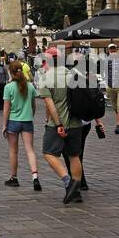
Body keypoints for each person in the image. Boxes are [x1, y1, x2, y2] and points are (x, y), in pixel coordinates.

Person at [38, 50, 86, 203]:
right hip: (77, 122)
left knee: (48, 153)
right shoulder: (74, 75)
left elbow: (50, 105)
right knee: (74, 156)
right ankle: (76, 191)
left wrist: (58, 123)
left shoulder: (45, 78)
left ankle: (68, 182)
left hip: (57, 123)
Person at [2, 60, 41, 190]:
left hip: (13, 121)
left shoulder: (8, 87)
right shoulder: (30, 86)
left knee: (13, 151)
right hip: (27, 121)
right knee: (30, 149)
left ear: (11, 72)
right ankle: (35, 177)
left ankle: (14, 177)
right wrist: (30, 115)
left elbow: (6, 109)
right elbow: (33, 106)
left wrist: (4, 125)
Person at [103, 43, 119, 134]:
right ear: (108, 50)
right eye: (111, 49)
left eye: (114, 49)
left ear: (117, 49)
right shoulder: (106, 60)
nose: (113, 50)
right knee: (115, 107)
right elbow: (104, 73)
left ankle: (118, 126)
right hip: (110, 87)